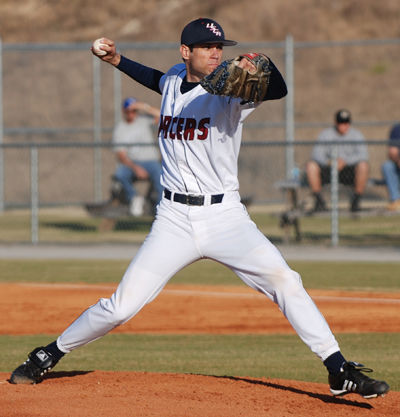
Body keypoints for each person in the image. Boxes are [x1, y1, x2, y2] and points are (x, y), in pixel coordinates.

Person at [10, 18, 389, 399]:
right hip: (173, 220)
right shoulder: (174, 79)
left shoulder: (231, 92)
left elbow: (279, 90)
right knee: (120, 307)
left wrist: (262, 71)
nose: (216, 53)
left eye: (220, 47)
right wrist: (117, 60)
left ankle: (338, 369)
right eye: (207, 46)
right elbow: (156, 78)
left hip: (226, 218)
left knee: (285, 280)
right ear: (185, 52)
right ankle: (48, 354)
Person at [306, 109, 369, 213]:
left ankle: (356, 201)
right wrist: (331, 162)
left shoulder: (356, 135)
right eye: (341, 123)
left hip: (349, 171)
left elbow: (363, 154)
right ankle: (319, 201)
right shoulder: (326, 134)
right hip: (328, 170)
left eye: (346, 123)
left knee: (363, 165)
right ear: (336, 123)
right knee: (311, 166)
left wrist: (345, 161)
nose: (343, 126)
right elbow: (316, 154)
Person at [112, 97, 162, 216]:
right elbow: (121, 155)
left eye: (133, 111)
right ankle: (134, 198)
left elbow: (162, 116)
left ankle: (160, 211)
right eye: (128, 111)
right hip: (132, 163)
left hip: (151, 162)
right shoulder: (120, 129)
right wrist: (136, 168)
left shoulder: (144, 120)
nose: (131, 114)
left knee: (162, 180)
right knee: (120, 174)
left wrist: (143, 107)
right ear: (124, 112)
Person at [381, 123, 400, 211]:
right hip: (397, 164)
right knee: (387, 166)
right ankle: (396, 201)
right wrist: (398, 159)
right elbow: (392, 151)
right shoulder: (397, 129)